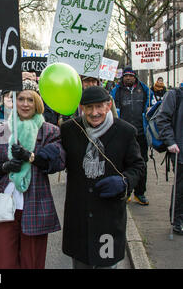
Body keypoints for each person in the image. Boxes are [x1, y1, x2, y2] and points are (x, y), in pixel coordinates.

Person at [0, 79, 66, 269]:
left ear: (37, 102)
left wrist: (31, 157)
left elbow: (58, 163)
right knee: (4, 262)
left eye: (30, 99)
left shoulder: (49, 131)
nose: (25, 104)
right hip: (6, 206)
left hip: (35, 204)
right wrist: (6, 167)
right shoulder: (2, 131)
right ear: (14, 100)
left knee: (32, 263)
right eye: (21, 99)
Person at [60, 86, 145, 268]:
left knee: (106, 264)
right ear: (81, 108)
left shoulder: (125, 131)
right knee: (81, 263)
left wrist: (124, 182)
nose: (94, 112)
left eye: (99, 106)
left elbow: (137, 166)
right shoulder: (69, 130)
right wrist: (50, 156)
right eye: (89, 107)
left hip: (108, 217)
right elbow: (59, 161)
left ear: (109, 106)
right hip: (79, 217)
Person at [111, 66, 154, 205]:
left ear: (135, 77)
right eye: (126, 76)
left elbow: (151, 109)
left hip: (141, 133)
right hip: (123, 134)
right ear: (122, 77)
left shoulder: (145, 90)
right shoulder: (116, 91)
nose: (128, 78)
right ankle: (126, 191)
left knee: (141, 163)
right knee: (123, 162)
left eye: (131, 75)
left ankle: (140, 193)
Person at [156, 83, 183, 235]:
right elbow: (162, 119)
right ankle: (178, 220)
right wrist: (170, 141)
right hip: (179, 149)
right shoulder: (175, 95)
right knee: (181, 188)